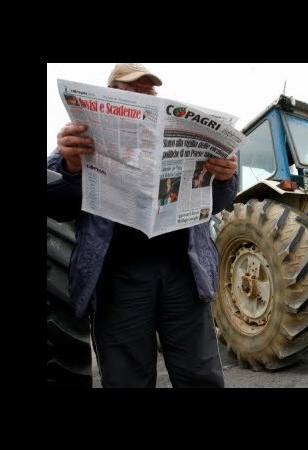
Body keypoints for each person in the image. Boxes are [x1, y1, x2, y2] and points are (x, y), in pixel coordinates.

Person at [47, 63, 238, 388]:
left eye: (149, 92)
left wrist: (225, 176)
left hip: (184, 274)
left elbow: (219, 201)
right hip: (118, 279)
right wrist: (70, 166)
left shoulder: (178, 128)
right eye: (133, 91)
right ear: (108, 95)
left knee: (201, 376)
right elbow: (56, 205)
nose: (145, 97)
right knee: (127, 380)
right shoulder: (80, 138)